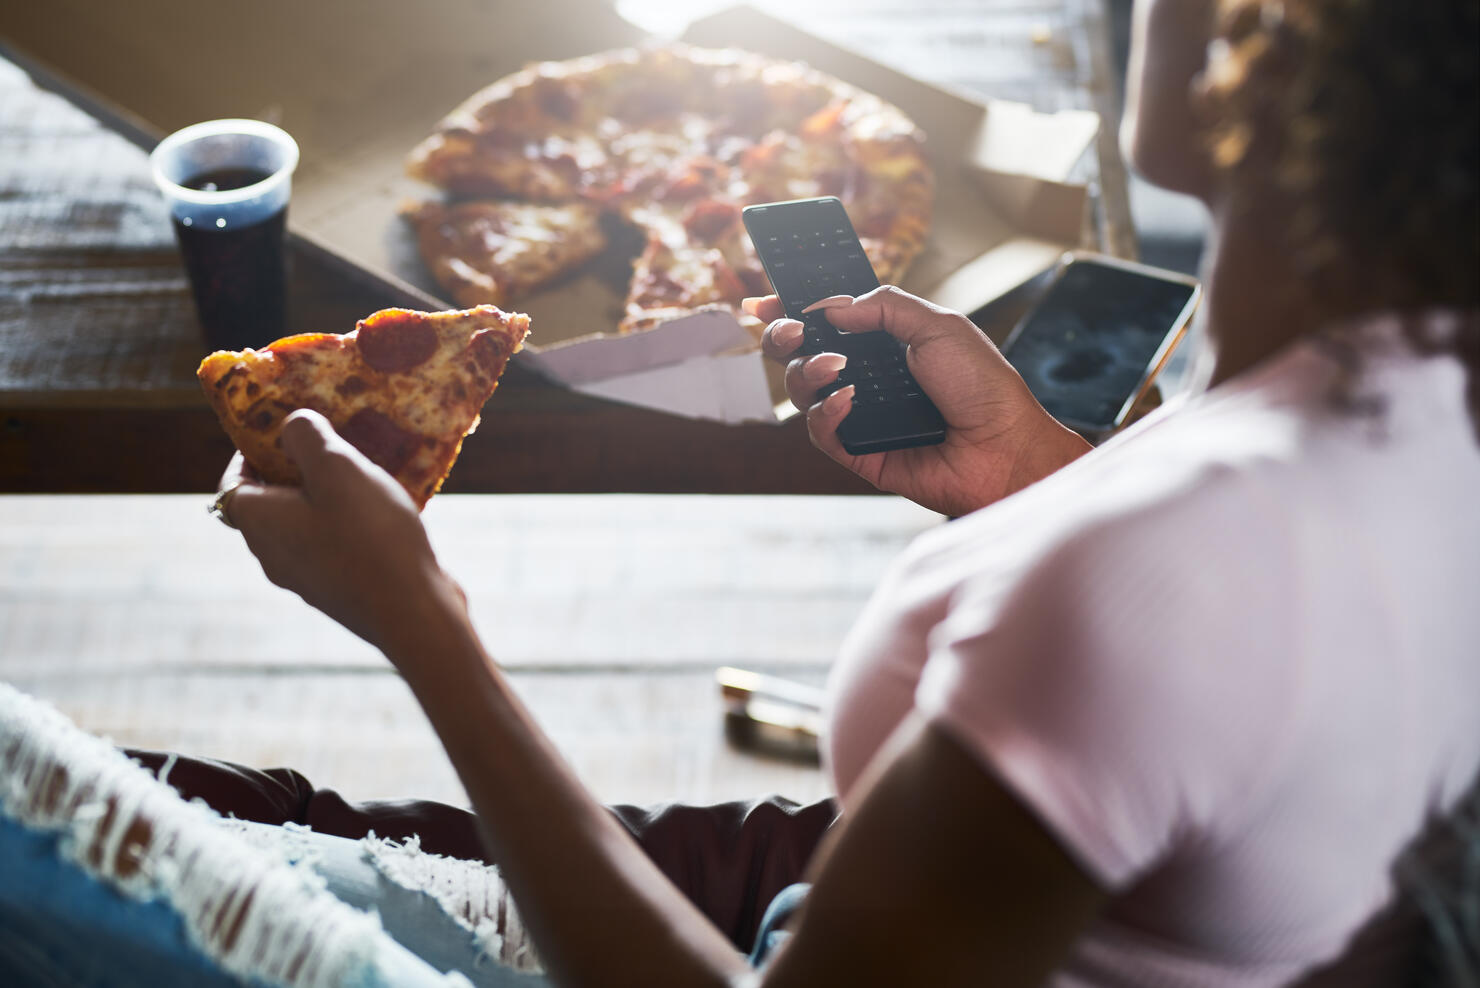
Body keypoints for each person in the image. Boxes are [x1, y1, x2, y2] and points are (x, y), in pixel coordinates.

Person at [200, 0, 1479, 984]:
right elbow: (1223, 698)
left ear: (1260, 49)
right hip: (912, 895)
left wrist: (419, 618)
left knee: (161, 837)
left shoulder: (1139, 586)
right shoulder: (1419, 390)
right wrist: (1033, 477)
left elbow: (1161, 628)